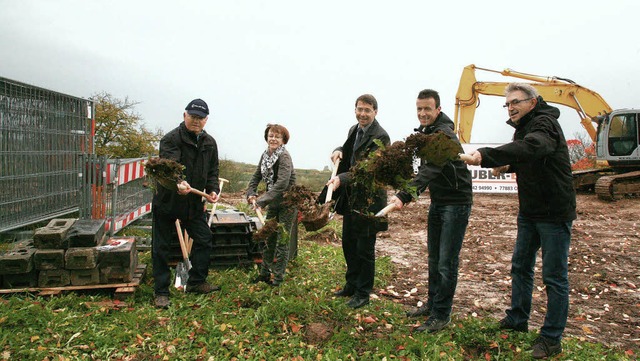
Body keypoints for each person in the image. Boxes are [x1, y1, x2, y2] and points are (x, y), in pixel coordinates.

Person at [463, 83, 576, 359]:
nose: (510, 108)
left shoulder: (545, 124)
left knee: (554, 277)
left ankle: (551, 338)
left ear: (533, 102)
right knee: (521, 266)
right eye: (507, 104)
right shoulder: (525, 126)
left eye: (515, 102)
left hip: (554, 213)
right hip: (530, 212)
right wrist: (510, 165)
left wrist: (486, 155)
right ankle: (517, 319)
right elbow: (531, 156)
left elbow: (535, 146)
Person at [389, 89, 473, 333]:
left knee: (446, 262)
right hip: (439, 200)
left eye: (427, 108)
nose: (422, 113)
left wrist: (404, 196)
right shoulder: (426, 133)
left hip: (456, 203)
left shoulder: (443, 135)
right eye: (419, 109)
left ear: (438, 109)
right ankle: (433, 304)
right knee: (434, 258)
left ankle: (442, 314)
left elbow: (431, 170)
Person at [151, 98, 220, 309]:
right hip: (168, 200)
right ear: (184, 116)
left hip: (193, 204)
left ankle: (196, 281)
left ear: (206, 120)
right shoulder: (171, 139)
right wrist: (178, 182)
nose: (196, 121)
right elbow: (170, 170)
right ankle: (161, 291)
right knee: (161, 246)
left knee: (204, 238)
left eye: (200, 118)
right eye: (192, 117)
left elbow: (212, 172)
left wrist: (213, 190)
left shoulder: (210, 143)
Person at [326, 94, 390, 309]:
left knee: (364, 248)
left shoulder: (381, 136)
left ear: (375, 112)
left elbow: (366, 170)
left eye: (367, 110)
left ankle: (363, 292)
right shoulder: (355, 130)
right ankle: (351, 285)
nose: (362, 114)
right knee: (349, 244)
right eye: (359, 109)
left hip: (369, 201)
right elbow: (349, 150)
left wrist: (340, 180)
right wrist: (338, 150)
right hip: (351, 199)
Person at [246, 124, 297, 286]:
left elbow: (282, 183)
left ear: (283, 140)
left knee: (282, 241)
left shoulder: (284, 157)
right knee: (269, 237)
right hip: (274, 202)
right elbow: (256, 177)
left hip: (287, 203)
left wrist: (262, 201)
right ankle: (264, 274)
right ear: (267, 138)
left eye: (277, 136)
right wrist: (251, 192)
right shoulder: (265, 156)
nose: (273, 139)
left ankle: (278, 278)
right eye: (271, 136)